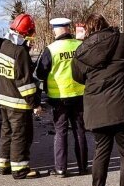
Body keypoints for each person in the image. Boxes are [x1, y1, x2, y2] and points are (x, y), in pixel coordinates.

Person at [72, 13, 124, 186]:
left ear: (87, 29)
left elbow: (77, 76)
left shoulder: (81, 50)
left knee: (101, 151)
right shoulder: (122, 39)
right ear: (105, 24)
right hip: (123, 106)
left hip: (96, 108)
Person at [35, 17, 88, 177]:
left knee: (61, 132)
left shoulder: (51, 49)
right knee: (80, 131)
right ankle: (83, 167)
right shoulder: (80, 46)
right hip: (80, 95)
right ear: (68, 29)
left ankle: (61, 169)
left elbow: (39, 74)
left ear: (56, 30)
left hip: (59, 98)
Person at [0, 14, 41, 179]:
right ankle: (20, 169)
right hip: (18, 102)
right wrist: (35, 103)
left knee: (6, 133)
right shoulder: (20, 51)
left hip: (4, 99)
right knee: (20, 135)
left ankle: (4, 165)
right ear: (27, 32)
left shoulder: (5, 45)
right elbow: (25, 82)